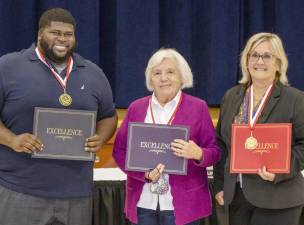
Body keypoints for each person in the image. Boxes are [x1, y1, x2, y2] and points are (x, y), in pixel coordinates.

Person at [0, 8, 117, 225]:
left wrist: (100, 138)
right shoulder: (7, 67)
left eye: (68, 34)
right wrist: (12, 140)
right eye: (55, 32)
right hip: (20, 190)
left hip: (77, 193)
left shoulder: (93, 73)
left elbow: (108, 117)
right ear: (39, 34)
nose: (62, 39)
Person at [113, 48, 221, 225]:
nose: (163, 78)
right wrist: (145, 174)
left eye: (170, 72)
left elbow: (215, 152)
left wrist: (198, 153)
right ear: (150, 79)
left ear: (182, 77)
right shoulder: (136, 108)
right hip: (143, 202)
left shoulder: (198, 108)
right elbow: (119, 151)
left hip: (184, 203)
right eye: (157, 73)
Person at [214, 32, 304, 225]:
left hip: (278, 198)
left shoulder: (295, 99)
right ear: (246, 61)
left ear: (278, 63)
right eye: (254, 55)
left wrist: (281, 170)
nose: (259, 61)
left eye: (267, 56)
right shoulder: (231, 96)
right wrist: (220, 186)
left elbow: (303, 144)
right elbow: (221, 144)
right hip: (236, 196)